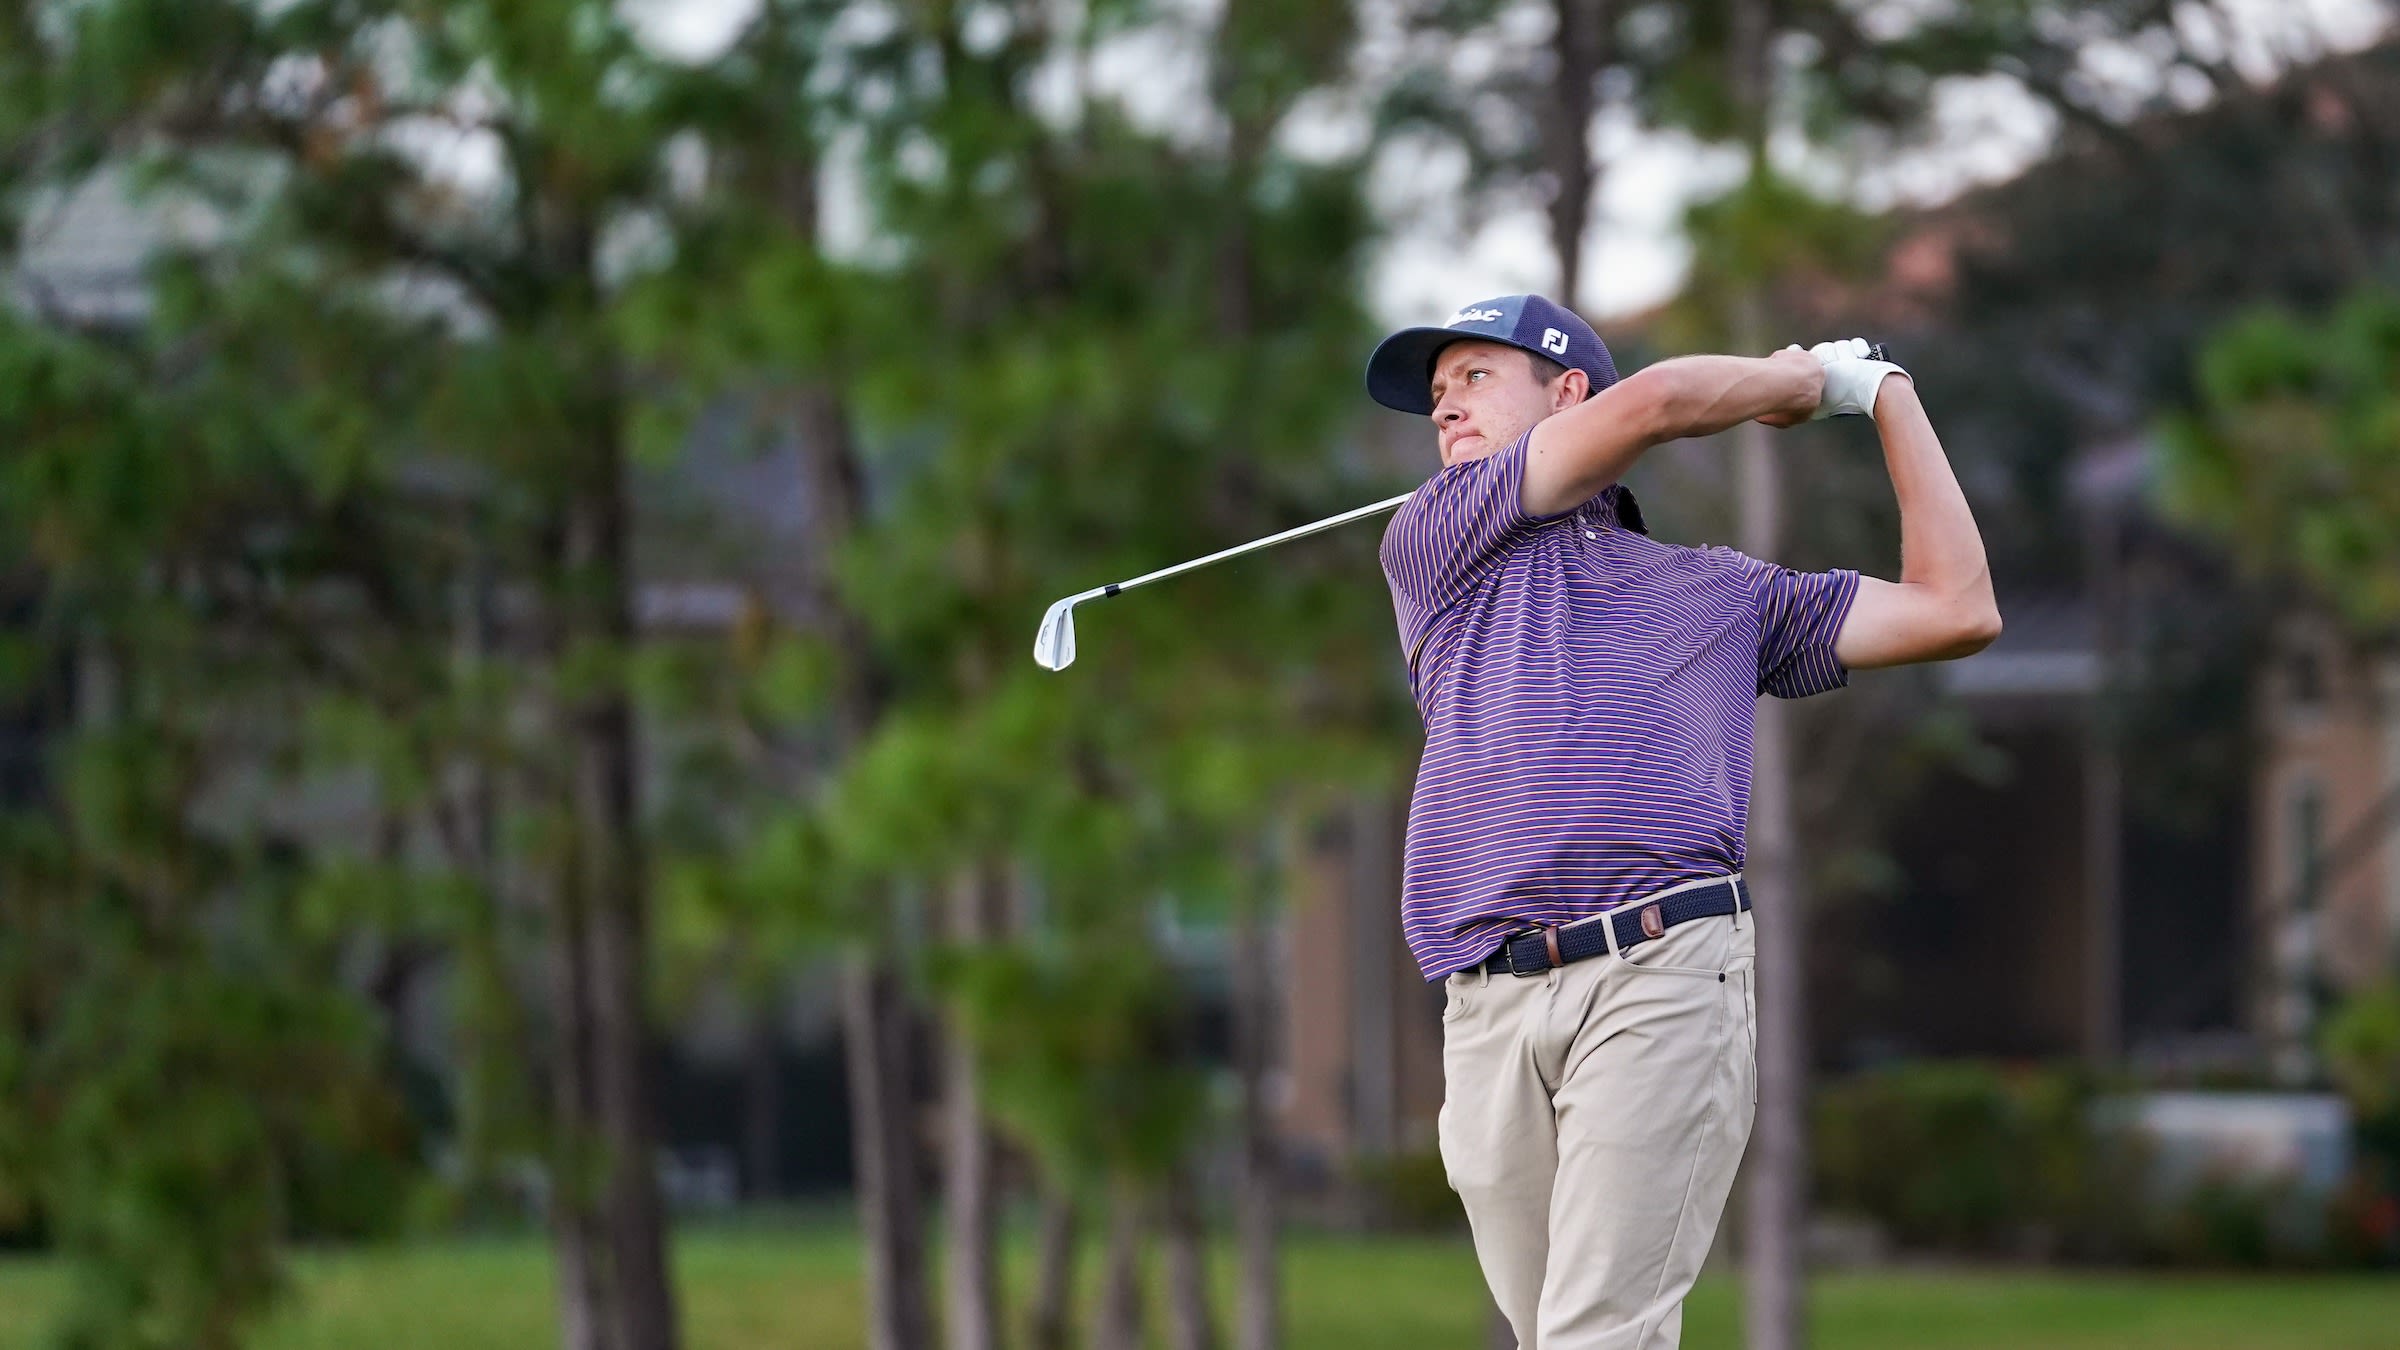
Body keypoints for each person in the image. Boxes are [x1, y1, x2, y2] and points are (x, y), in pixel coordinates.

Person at [1364, 295, 2000, 1349]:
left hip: (1660, 974)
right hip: (1487, 1008)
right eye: (1436, 394)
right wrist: (1800, 384)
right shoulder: (1436, 541)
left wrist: (1887, 394)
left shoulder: (1723, 594)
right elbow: (1658, 403)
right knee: (1557, 1334)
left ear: (1569, 393)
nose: (1444, 409)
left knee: (1597, 1335)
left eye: (1474, 377)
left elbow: (1956, 608)